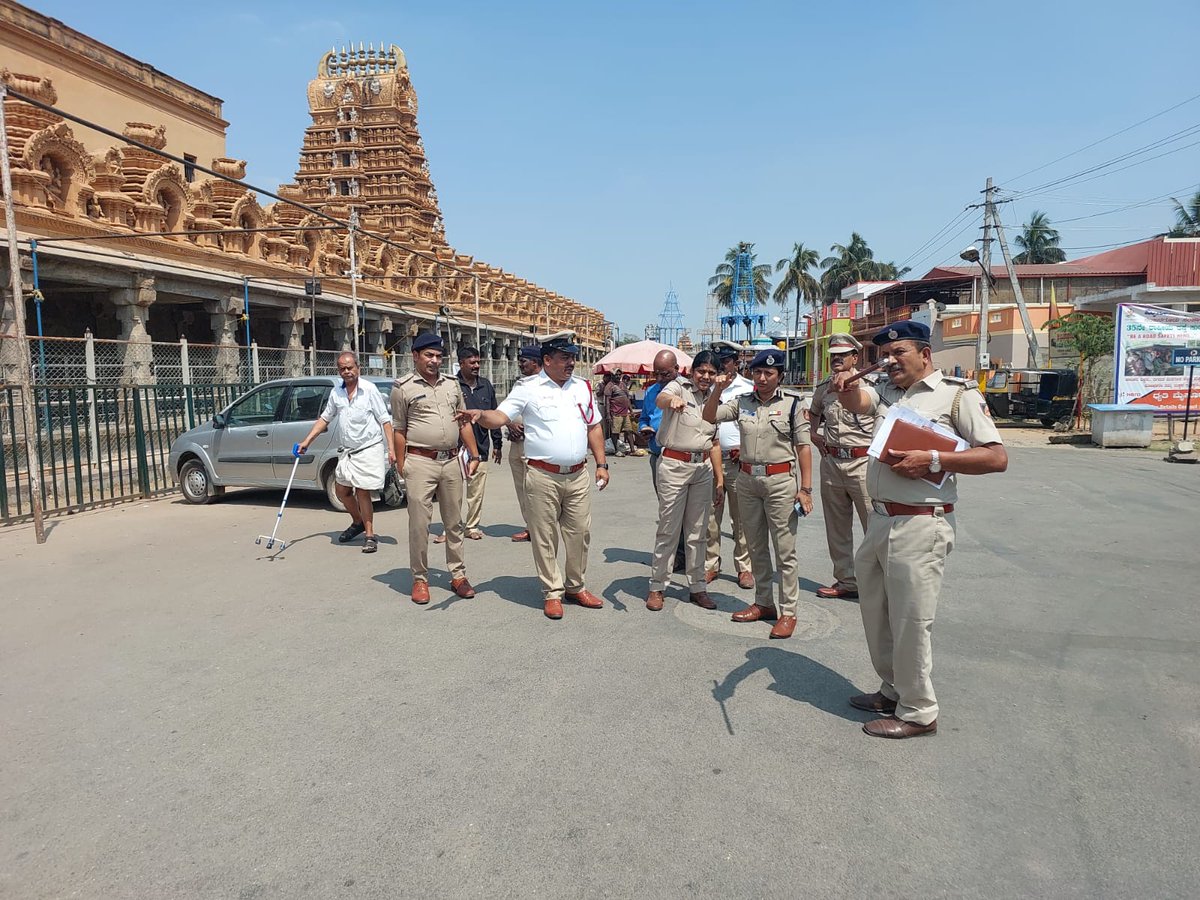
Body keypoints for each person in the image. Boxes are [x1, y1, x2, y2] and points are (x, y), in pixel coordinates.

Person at [831, 320, 1007, 739]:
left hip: (921, 522)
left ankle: (918, 712)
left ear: (925, 354)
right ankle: (892, 690)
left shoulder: (956, 394)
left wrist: (933, 459)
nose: (890, 361)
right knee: (877, 613)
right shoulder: (889, 392)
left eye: (899, 353)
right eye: (885, 355)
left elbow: (996, 457)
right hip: (881, 519)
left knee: (911, 619)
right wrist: (844, 383)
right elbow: (858, 401)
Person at [460, 335, 609, 620]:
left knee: (580, 534)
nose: (571, 363)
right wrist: (479, 415)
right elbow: (500, 417)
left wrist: (602, 463)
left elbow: (594, 427)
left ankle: (575, 586)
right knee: (544, 536)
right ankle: (552, 592)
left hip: (578, 475)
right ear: (548, 360)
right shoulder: (528, 388)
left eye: (572, 357)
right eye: (565, 357)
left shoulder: (582, 387)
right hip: (542, 475)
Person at [703, 347, 814, 639]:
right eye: (757, 372)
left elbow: (803, 447)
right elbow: (709, 416)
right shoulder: (741, 403)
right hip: (748, 481)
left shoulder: (792, 404)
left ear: (780, 376)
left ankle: (788, 611)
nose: (762, 378)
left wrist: (805, 489)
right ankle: (764, 603)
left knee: (784, 550)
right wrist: (717, 389)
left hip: (780, 483)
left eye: (768, 373)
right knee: (756, 547)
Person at [390, 332, 482, 604]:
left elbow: (464, 422)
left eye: (439, 356)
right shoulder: (403, 388)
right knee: (420, 524)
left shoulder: (452, 385)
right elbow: (399, 429)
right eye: (429, 355)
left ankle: (458, 575)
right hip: (420, 462)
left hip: (452, 461)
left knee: (454, 522)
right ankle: (420, 579)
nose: (434, 361)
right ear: (415, 356)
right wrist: (402, 465)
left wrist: (474, 454)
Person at [645, 350, 723, 611]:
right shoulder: (679, 386)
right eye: (701, 371)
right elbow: (662, 398)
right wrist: (672, 402)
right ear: (692, 371)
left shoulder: (714, 397)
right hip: (674, 466)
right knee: (668, 529)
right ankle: (657, 586)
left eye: (711, 373)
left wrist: (719, 479)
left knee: (697, 532)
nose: (706, 376)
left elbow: (714, 442)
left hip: (701, 469)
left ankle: (697, 587)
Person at [296, 351, 394, 554]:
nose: (347, 371)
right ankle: (357, 521)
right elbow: (325, 418)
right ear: (339, 371)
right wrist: (306, 441)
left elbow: (385, 420)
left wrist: (391, 449)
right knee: (341, 491)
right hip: (348, 451)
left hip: (368, 448)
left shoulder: (369, 390)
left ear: (358, 367)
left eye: (350, 367)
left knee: (362, 491)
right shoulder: (337, 393)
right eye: (343, 368)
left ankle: (369, 535)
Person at [808, 334, 874, 599]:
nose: (836, 359)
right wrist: (814, 434)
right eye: (833, 355)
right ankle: (846, 580)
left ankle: (877, 584)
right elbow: (812, 413)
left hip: (863, 462)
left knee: (875, 526)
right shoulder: (824, 388)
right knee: (837, 528)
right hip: (833, 462)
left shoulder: (869, 386)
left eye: (842, 355)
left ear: (854, 358)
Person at [705, 343, 755, 588]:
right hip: (708, 458)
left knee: (741, 518)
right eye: (718, 361)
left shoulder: (747, 389)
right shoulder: (706, 386)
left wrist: (746, 450)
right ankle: (711, 564)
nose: (722, 365)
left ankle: (744, 567)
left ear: (735, 361)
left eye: (726, 360)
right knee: (710, 517)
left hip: (737, 459)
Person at [638, 349, 686, 571]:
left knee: (688, 511)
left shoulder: (688, 390)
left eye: (665, 374)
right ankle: (674, 554)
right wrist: (643, 429)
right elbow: (645, 417)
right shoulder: (651, 393)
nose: (659, 379)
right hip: (658, 457)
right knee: (667, 510)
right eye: (656, 373)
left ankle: (689, 555)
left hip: (683, 460)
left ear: (677, 370)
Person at [456, 345, 502, 541]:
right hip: (455, 449)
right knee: (453, 493)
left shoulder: (486, 385)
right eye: (472, 362)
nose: (476, 366)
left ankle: (471, 526)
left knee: (475, 492)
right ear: (461, 364)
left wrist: (497, 444)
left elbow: (494, 415)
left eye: (478, 362)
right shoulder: (452, 385)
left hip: (481, 447)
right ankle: (452, 527)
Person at [505, 344, 543, 543]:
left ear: (536, 362)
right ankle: (530, 526)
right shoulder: (519, 384)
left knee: (535, 490)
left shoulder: (546, 384)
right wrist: (510, 423)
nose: (520, 364)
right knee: (521, 490)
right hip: (515, 443)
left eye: (524, 361)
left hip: (533, 446)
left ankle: (541, 528)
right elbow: (508, 411)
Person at [606, 372, 639, 457]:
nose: (618, 376)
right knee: (615, 433)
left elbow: (627, 398)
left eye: (619, 375)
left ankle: (632, 450)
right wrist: (608, 415)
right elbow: (607, 402)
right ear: (612, 376)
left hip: (625, 413)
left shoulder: (623, 385)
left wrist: (631, 410)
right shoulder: (609, 386)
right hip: (616, 413)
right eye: (616, 375)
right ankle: (617, 450)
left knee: (629, 431)